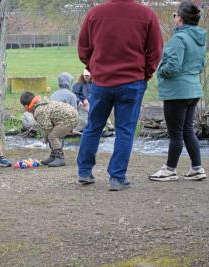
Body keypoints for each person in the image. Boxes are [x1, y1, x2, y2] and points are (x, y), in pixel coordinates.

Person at [76, 0, 163, 190]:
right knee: (125, 130)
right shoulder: (146, 14)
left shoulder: (95, 14)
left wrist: (94, 68)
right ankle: (117, 177)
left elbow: (83, 49)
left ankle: (84, 171)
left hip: (102, 82)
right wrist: (145, 74)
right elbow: (155, 51)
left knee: (93, 127)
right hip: (132, 81)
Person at [149, 1, 207, 182]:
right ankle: (197, 168)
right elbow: (201, 65)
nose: (174, 17)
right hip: (193, 90)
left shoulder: (178, 39)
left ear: (180, 19)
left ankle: (169, 170)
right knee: (187, 130)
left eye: (175, 14)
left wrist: (161, 69)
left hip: (177, 92)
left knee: (175, 133)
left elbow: (172, 67)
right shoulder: (200, 38)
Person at [20, 92, 80, 167]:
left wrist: (46, 138)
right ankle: (53, 156)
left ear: (26, 106)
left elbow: (48, 127)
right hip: (71, 116)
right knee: (52, 135)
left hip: (69, 119)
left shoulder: (39, 110)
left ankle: (60, 158)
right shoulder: (42, 102)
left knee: (53, 136)